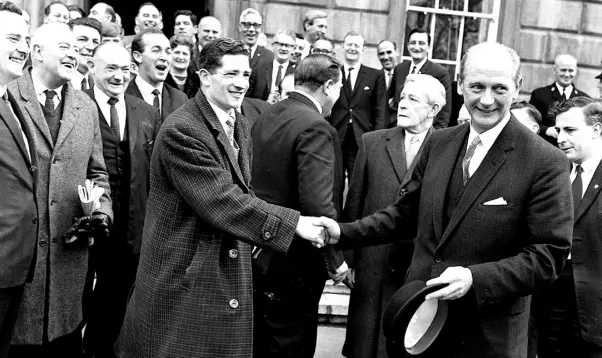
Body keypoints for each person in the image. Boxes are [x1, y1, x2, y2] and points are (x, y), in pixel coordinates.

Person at [318, 42, 573, 358]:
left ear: (518, 86)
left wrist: (474, 279)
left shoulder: (545, 160)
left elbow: (549, 256)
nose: (486, 99)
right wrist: (344, 232)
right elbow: (405, 214)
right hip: (419, 326)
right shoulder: (440, 143)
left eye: (500, 88)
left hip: (486, 339)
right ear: (461, 84)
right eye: (477, 86)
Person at [115, 37, 327, 358]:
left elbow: (243, 191)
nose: (241, 84)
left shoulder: (238, 122)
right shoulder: (182, 130)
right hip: (184, 280)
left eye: (245, 75)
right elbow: (221, 201)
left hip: (219, 273)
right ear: (204, 77)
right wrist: (293, 224)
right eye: (231, 75)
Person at [8, 22, 112, 357]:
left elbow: (97, 173)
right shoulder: (8, 97)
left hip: (68, 261)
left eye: (76, 48)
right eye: (64, 47)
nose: (74, 54)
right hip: (18, 263)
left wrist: (100, 212)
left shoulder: (86, 107)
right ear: (36, 52)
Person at [251, 54, 347, 358]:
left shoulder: (267, 114)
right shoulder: (316, 126)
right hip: (296, 259)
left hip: (260, 249)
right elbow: (318, 204)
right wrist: (336, 262)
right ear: (329, 86)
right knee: (291, 343)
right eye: (340, 87)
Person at [342, 74, 443, 358]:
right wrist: (348, 259)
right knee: (365, 345)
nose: (402, 104)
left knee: (405, 343)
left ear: (433, 109)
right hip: (373, 260)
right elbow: (355, 203)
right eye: (401, 98)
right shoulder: (372, 142)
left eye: (413, 99)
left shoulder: (447, 147)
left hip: (417, 265)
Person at [82, 42, 160, 358]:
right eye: (111, 68)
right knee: (82, 303)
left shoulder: (146, 112)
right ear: (92, 69)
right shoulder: (78, 105)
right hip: (87, 227)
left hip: (132, 229)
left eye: (124, 68)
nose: (119, 75)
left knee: (120, 306)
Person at [535, 97, 602, 358]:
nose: (560, 138)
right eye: (558, 130)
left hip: (594, 301)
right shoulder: (555, 172)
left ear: (596, 130)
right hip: (551, 291)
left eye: (570, 130)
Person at [0, 4, 37, 357]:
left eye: (26, 39)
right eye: (13, 38)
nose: (24, 48)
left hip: (13, 268)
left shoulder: (11, 100)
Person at [328, 31, 387, 180]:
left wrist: (377, 139)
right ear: (342, 46)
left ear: (363, 49)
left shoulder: (375, 75)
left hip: (361, 137)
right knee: (334, 181)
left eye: (356, 45)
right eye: (349, 44)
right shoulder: (332, 73)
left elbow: (380, 110)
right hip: (336, 134)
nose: (352, 48)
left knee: (357, 182)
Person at [388, 28, 452, 129]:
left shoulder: (440, 72)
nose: (417, 47)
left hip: (424, 132)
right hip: (398, 130)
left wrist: (436, 136)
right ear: (408, 46)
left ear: (429, 47)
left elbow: (444, 111)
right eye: (413, 43)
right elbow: (392, 101)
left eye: (421, 43)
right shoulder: (399, 69)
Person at [126, 29, 187, 125]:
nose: (164, 57)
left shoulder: (180, 99)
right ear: (138, 56)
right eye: (156, 51)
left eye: (168, 52)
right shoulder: (123, 96)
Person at [530, 54, 590, 145]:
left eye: (571, 70)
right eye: (563, 70)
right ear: (555, 70)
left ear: (576, 71)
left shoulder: (584, 98)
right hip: (546, 146)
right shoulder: (539, 94)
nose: (567, 74)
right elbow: (529, 122)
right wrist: (546, 130)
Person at [247, 29, 297, 103]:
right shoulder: (258, 68)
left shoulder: (297, 72)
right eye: (280, 44)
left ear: (293, 49)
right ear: (273, 45)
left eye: (287, 45)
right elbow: (248, 98)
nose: (283, 48)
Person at [69, 17, 102, 91]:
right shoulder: (57, 83)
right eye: (82, 39)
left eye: (95, 42)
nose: (91, 47)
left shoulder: (100, 85)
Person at [164, 34, 200, 99]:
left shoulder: (198, 81)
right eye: (177, 52)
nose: (180, 57)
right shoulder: (162, 78)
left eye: (185, 54)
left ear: (190, 58)